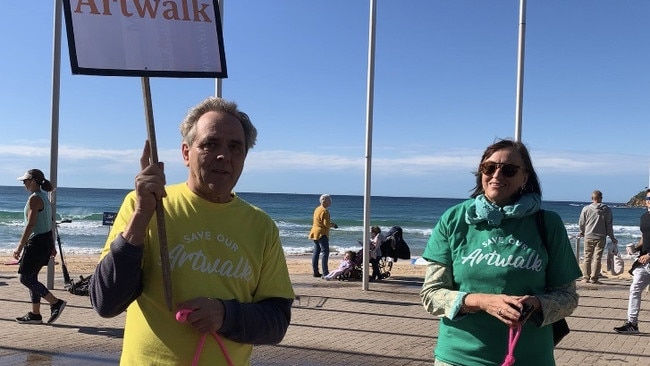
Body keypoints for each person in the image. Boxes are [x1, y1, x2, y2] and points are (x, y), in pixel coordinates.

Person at [88, 97, 295, 365]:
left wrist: (224, 314)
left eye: (235, 147)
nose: (224, 155)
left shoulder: (261, 226)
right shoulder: (144, 206)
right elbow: (106, 302)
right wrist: (140, 217)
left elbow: (276, 322)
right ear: (186, 153)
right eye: (210, 144)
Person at [419, 139, 582, 365]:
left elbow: (568, 298)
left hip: (530, 358)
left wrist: (535, 303)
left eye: (509, 170)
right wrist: (481, 301)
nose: (497, 175)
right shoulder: (454, 219)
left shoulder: (548, 223)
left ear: (524, 177)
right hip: (458, 358)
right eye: (489, 167)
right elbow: (431, 294)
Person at [13, 169, 67, 325]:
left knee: (24, 277)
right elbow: (48, 224)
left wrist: (19, 246)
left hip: (36, 243)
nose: (24, 184)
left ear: (34, 181)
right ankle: (35, 314)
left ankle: (55, 302)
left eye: (25, 181)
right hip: (43, 242)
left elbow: (31, 225)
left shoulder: (35, 198)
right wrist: (51, 245)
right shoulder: (44, 197)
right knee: (32, 278)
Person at [614, 189, 650, 334]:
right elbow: (644, 238)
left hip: (647, 258)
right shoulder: (644, 217)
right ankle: (632, 323)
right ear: (645, 201)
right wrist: (635, 248)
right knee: (634, 289)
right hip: (643, 261)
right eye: (648, 198)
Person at [578, 189, 618, 284]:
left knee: (587, 257)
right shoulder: (606, 209)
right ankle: (594, 278)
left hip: (589, 235)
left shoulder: (586, 209)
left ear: (592, 198)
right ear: (601, 198)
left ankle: (585, 277)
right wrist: (612, 237)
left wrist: (582, 232)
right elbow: (609, 225)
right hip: (600, 237)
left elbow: (581, 222)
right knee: (597, 258)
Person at [308, 194, 338, 277]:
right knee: (325, 252)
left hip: (315, 232)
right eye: (329, 201)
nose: (330, 202)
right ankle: (325, 273)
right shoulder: (325, 211)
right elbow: (326, 224)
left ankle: (315, 271)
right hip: (322, 233)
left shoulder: (317, 209)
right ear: (324, 201)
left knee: (316, 252)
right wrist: (333, 225)